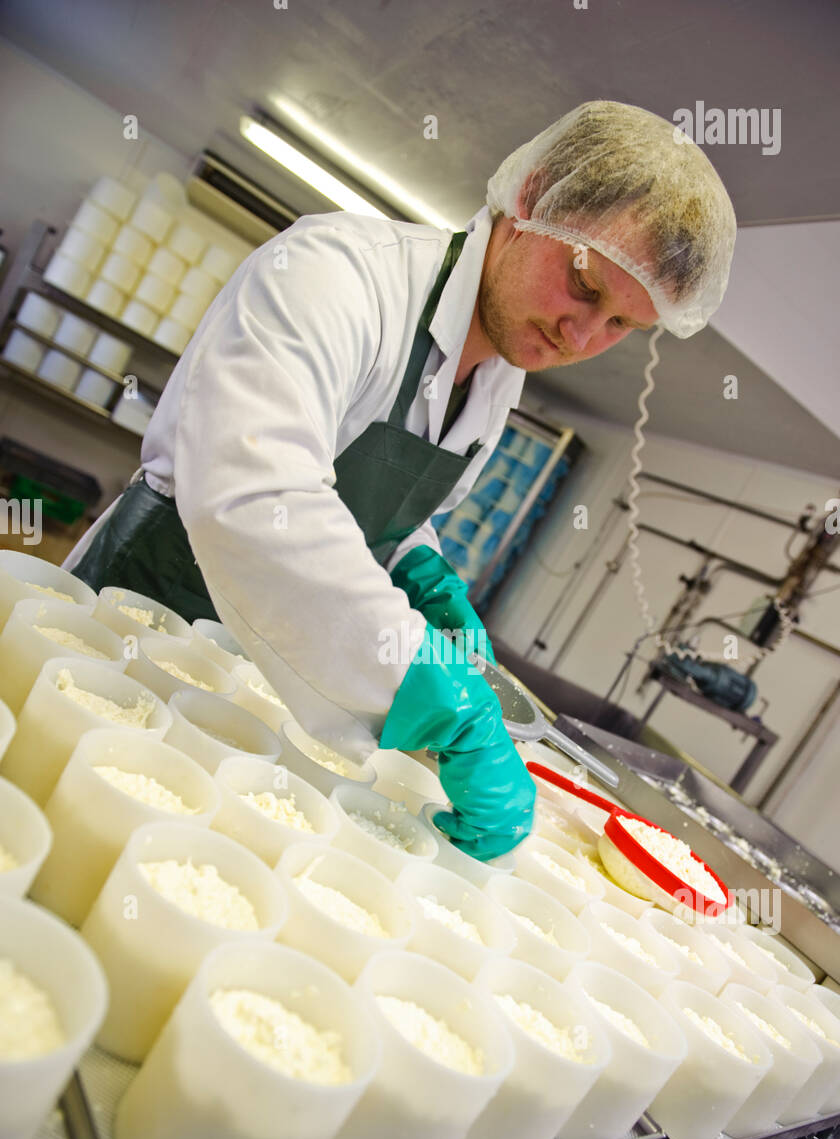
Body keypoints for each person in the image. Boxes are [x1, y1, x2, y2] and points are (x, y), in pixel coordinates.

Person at [65, 100, 737, 861]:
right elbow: (256, 497)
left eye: (621, 325)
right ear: (532, 199)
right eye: (584, 287)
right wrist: (431, 693)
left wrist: (418, 564)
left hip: (258, 679)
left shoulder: (501, 373)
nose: (581, 336)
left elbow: (369, 490)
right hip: (125, 628)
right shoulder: (337, 272)